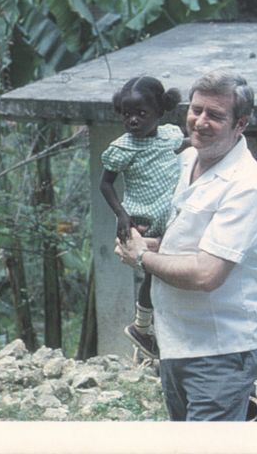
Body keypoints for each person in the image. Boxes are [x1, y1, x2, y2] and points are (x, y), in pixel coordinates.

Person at [115, 69, 257, 421]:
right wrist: (152, 244)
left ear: (240, 124)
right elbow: (183, 239)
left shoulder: (247, 185)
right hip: (176, 345)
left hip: (219, 353)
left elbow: (207, 274)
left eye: (215, 115)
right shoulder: (184, 159)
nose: (200, 121)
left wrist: (141, 256)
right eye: (196, 109)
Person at [99, 76, 189, 359]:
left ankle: (155, 332)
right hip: (144, 221)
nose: (133, 120)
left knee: (171, 274)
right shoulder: (122, 148)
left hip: (170, 218)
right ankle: (141, 327)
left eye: (141, 113)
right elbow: (105, 184)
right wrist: (122, 215)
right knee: (155, 273)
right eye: (127, 114)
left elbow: (188, 144)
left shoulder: (171, 136)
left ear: (160, 111)